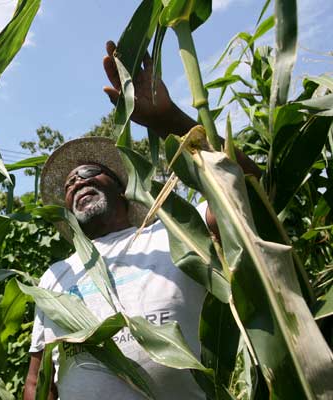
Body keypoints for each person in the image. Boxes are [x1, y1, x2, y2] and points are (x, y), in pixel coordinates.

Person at [22, 41, 259, 399]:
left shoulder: (179, 231)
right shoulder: (55, 275)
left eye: (89, 172)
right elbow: (38, 382)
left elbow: (250, 194)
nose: (77, 181)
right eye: (69, 184)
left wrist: (169, 119)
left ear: (123, 188)